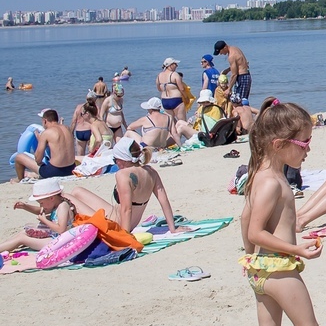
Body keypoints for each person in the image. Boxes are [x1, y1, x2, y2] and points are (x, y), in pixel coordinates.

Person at [237, 99, 322, 326]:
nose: (308, 149)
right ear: (279, 144)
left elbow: (245, 222)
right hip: (279, 269)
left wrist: (249, 256)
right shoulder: (272, 182)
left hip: (260, 269)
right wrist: (297, 250)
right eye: (304, 143)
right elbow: (257, 230)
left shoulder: (258, 174)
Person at [62, 138, 191, 233]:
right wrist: (172, 228)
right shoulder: (151, 172)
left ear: (122, 159)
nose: (116, 163)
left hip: (116, 224)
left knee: (65, 196)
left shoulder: (123, 175)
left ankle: (62, 228)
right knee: (77, 190)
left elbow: (126, 209)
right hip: (118, 217)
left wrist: (124, 236)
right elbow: (164, 201)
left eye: (115, 160)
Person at [2, 178, 74, 255]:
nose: (41, 205)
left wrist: (45, 220)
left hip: (61, 241)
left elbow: (61, 229)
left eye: (41, 203)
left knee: (22, 239)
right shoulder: (55, 205)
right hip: (56, 238)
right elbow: (41, 210)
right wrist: (25, 206)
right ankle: (3, 247)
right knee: (23, 233)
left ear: (52, 198)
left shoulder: (62, 206)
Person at [12, 109, 76, 182]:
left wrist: (41, 142)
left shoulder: (46, 133)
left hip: (55, 171)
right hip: (71, 169)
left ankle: (19, 179)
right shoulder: (67, 128)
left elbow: (38, 159)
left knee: (19, 157)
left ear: (45, 121)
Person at [213, 40, 253, 131]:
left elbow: (234, 75)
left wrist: (229, 89)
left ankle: (243, 127)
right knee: (242, 101)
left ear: (225, 47)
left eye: (220, 52)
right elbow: (241, 64)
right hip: (246, 76)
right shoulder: (235, 48)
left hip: (242, 77)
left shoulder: (231, 56)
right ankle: (246, 123)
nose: (221, 54)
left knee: (239, 104)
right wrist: (228, 70)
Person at [155, 58, 185, 125]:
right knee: (183, 122)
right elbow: (182, 89)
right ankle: (188, 135)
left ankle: (174, 135)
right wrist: (186, 98)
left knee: (171, 124)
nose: (177, 66)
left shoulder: (159, 75)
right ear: (170, 65)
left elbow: (159, 89)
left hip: (165, 101)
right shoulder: (174, 74)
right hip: (176, 100)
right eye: (175, 64)